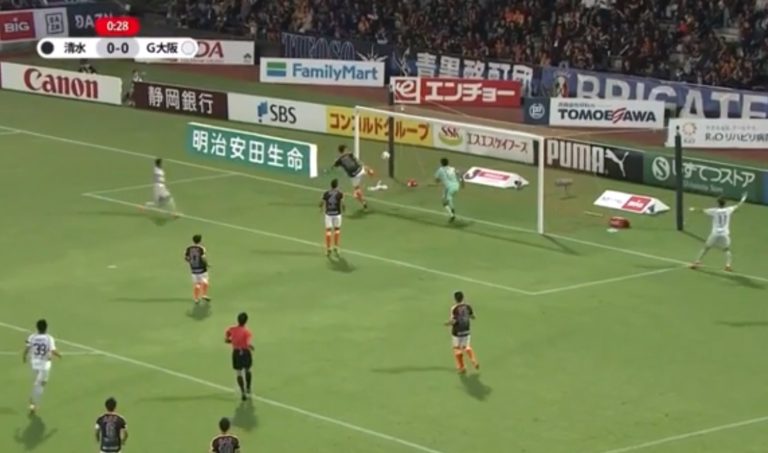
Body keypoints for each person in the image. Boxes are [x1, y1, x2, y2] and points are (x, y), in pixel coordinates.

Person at [691, 194, 745, 271]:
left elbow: (702, 210)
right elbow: (738, 206)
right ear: (725, 203)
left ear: (718, 203)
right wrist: (742, 200)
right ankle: (728, 266)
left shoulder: (714, 211)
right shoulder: (728, 210)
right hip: (724, 234)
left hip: (715, 233)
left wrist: (693, 209)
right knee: (727, 249)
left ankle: (696, 262)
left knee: (706, 248)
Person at [23, 319, 61, 414]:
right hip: (44, 365)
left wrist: (24, 356)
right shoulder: (49, 338)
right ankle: (33, 403)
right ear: (46, 328)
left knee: (38, 381)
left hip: (34, 363)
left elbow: (27, 348)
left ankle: (33, 400)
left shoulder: (32, 337)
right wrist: (59, 355)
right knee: (41, 384)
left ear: (37, 327)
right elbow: (53, 350)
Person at [444, 291, 479, 374]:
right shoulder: (468, 306)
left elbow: (454, 321)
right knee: (466, 346)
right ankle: (473, 359)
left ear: (455, 299)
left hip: (457, 331)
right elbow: (472, 316)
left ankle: (462, 367)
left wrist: (447, 324)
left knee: (457, 348)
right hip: (466, 330)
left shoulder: (454, 308)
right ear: (463, 297)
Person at [226, 312, 254, 401]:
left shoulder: (232, 329)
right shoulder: (247, 332)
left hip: (236, 352)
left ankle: (242, 392)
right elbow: (248, 343)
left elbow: (227, 334)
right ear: (246, 321)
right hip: (245, 352)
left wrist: (228, 340)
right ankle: (248, 387)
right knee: (247, 370)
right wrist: (251, 346)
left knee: (238, 373)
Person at [331, 145, 368, 210]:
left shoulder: (339, 160)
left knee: (357, 189)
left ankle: (363, 202)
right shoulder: (350, 154)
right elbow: (357, 161)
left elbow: (334, 166)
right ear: (345, 149)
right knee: (368, 170)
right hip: (359, 170)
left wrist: (334, 163)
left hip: (353, 176)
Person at [320, 178, 345, 256]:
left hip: (328, 214)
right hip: (337, 214)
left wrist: (321, 208)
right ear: (337, 186)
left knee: (328, 231)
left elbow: (321, 202)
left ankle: (328, 248)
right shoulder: (340, 193)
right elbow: (343, 203)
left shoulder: (326, 193)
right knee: (337, 230)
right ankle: (336, 247)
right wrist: (344, 209)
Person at [434, 158, 462, 222]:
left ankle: (452, 212)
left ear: (441, 163)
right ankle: (452, 214)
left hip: (450, 187)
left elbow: (437, 180)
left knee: (446, 200)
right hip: (456, 185)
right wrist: (462, 182)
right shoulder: (452, 168)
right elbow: (459, 174)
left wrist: (438, 181)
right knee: (446, 199)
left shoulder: (440, 170)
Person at [185, 234, 211, 304]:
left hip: (194, 269)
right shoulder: (201, 248)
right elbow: (203, 258)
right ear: (200, 240)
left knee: (197, 284)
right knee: (205, 282)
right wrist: (207, 264)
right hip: (202, 269)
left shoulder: (188, 248)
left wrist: (191, 263)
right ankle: (204, 295)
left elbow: (186, 258)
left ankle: (196, 298)